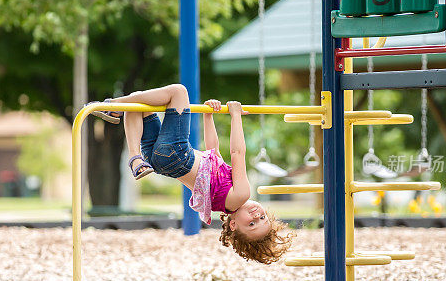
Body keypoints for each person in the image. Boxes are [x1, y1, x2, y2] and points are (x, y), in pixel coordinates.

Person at [92, 84, 294, 264]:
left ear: (233, 225)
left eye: (251, 224)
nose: (257, 216)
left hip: (177, 154)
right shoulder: (219, 203)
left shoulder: (241, 194)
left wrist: (235, 116)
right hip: (161, 162)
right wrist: (208, 115)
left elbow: (237, 153)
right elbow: (212, 151)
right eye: (263, 219)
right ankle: (135, 157)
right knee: (139, 100)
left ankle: (114, 104)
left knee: (178, 92)